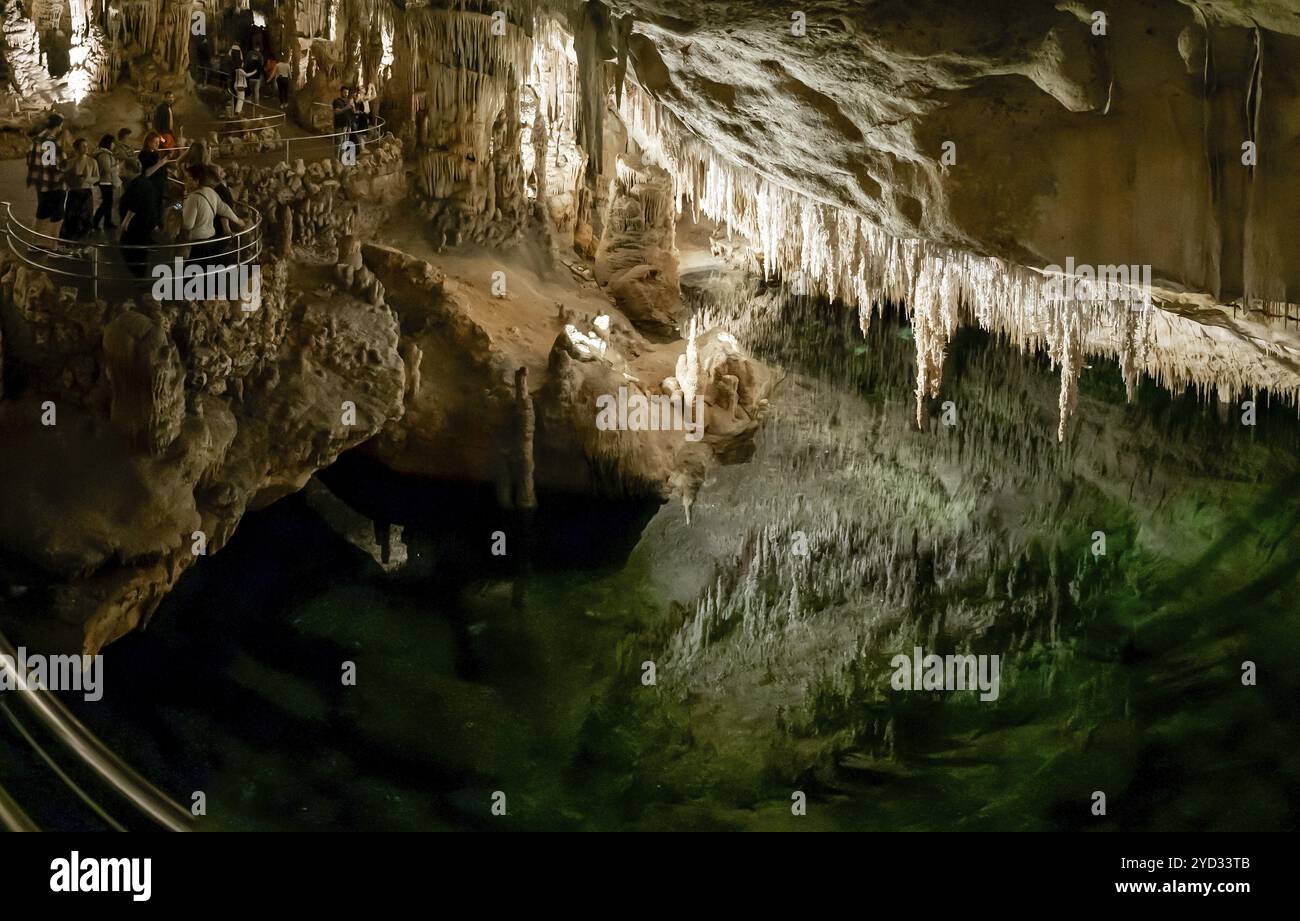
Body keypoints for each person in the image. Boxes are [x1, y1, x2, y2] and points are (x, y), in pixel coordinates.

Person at [118, 149, 169, 277]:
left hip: (137, 224)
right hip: (144, 223)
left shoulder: (137, 185)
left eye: (122, 169)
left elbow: (134, 205)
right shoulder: (144, 182)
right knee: (138, 249)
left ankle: (139, 274)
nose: (120, 171)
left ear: (130, 170)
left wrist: (125, 222)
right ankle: (139, 273)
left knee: (132, 249)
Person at [181, 163, 244, 265]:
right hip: (211, 239)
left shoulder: (192, 198)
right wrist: (238, 220)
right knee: (208, 268)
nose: (185, 182)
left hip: (198, 242)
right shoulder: (210, 191)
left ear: (196, 181)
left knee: (190, 271)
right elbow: (224, 208)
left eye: (188, 179)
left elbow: (188, 225)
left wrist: (178, 209)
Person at [26, 112, 67, 238]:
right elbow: (52, 165)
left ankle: (36, 241)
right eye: (61, 126)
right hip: (53, 184)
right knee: (57, 215)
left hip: (40, 183)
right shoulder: (50, 142)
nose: (61, 129)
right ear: (58, 126)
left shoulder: (35, 140)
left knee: (42, 212)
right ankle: (52, 243)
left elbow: (30, 161)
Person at [60, 137, 98, 240]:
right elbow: (65, 177)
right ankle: (70, 239)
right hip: (74, 192)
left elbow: (97, 177)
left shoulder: (92, 161)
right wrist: (74, 180)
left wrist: (88, 179)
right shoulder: (71, 162)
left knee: (85, 216)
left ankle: (84, 239)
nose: (86, 148)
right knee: (72, 217)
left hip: (86, 192)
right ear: (77, 148)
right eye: (83, 146)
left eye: (86, 146)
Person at [91, 134, 119, 231]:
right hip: (105, 181)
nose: (114, 145)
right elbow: (106, 169)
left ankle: (107, 221)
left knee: (108, 202)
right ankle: (96, 222)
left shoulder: (106, 154)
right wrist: (117, 166)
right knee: (106, 203)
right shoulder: (104, 155)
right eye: (113, 143)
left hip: (107, 181)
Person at [332, 86, 354, 158]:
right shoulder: (337, 101)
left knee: (345, 143)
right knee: (339, 143)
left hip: (347, 125)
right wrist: (346, 107)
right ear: (341, 92)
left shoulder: (348, 101)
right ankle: (336, 159)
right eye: (345, 92)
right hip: (339, 125)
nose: (346, 94)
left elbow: (351, 114)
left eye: (347, 92)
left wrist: (350, 126)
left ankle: (342, 158)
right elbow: (336, 112)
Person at [245, 41, 264, 107]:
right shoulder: (260, 55)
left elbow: (246, 64)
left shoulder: (249, 54)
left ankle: (249, 100)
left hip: (249, 75)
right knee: (256, 91)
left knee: (250, 89)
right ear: (259, 48)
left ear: (254, 47)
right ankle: (257, 103)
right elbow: (262, 66)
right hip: (257, 76)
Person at [230, 43, 246, 114]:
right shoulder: (239, 51)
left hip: (232, 75)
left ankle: (234, 109)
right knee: (240, 96)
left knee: (233, 93)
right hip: (239, 79)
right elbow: (241, 61)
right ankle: (238, 110)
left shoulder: (231, 51)